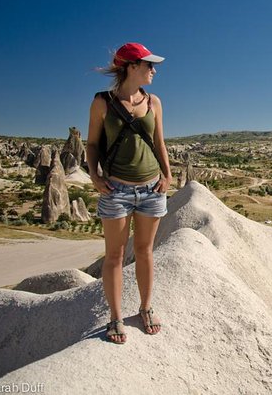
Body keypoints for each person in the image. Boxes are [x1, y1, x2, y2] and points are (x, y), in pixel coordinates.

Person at [86, 42, 172, 344]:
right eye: (149, 65)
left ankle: (146, 308)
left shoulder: (154, 102)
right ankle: (116, 317)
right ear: (131, 67)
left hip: (151, 188)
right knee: (115, 256)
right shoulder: (102, 102)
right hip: (115, 189)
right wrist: (95, 177)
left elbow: (159, 142)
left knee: (145, 252)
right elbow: (92, 144)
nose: (154, 70)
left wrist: (168, 175)